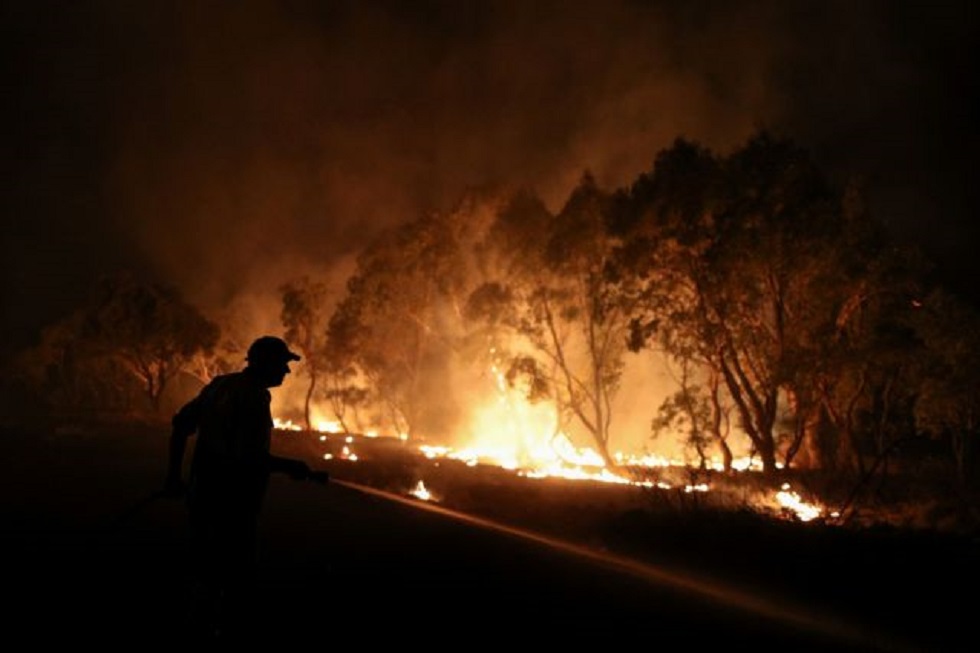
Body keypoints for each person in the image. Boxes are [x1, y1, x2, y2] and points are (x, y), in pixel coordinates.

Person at [163, 335, 328, 638]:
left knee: (205, 571)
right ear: (265, 363)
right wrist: (292, 466)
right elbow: (248, 459)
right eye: (282, 364)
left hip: (203, 497)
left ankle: (197, 626)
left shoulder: (219, 386)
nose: (286, 372)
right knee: (233, 579)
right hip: (233, 504)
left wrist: (174, 476)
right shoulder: (253, 397)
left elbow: (181, 425)